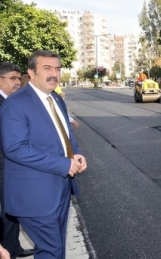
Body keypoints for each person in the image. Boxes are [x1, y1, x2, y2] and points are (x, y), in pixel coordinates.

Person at [0, 50, 87, 258]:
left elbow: (65, 133)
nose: (54, 74)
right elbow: (14, 148)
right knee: (52, 251)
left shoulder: (56, 99)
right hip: (34, 195)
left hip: (61, 189)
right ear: (31, 72)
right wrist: (63, 164)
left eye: (57, 69)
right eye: (46, 68)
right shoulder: (16, 103)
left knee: (56, 248)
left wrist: (75, 152)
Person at [0, 63, 34, 258]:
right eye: (12, 78)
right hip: (3, 165)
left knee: (11, 210)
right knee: (7, 210)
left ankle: (12, 247)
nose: (18, 83)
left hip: (11, 164)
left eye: (19, 78)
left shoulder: (12, 101)